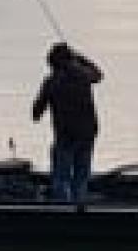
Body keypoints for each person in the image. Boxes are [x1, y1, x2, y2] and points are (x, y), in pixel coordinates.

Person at [30, 41, 103, 205]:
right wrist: (81, 58)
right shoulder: (84, 76)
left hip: (66, 136)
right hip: (87, 133)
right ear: (70, 60)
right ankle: (79, 205)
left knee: (61, 176)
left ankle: (61, 208)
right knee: (81, 176)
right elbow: (98, 74)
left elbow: (36, 114)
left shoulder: (51, 82)